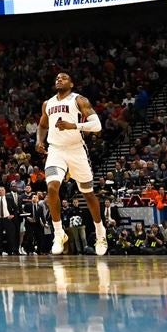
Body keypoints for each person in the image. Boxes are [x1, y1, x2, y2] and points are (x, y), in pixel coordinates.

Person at [37, 72, 107, 256]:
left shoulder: (79, 100)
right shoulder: (48, 103)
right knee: (52, 187)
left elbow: (97, 126)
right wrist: (39, 141)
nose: (59, 79)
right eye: (57, 78)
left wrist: (73, 125)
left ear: (72, 83)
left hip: (76, 149)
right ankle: (59, 233)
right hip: (56, 150)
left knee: (88, 194)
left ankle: (100, 233)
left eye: (64, 77)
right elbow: (43, 125)